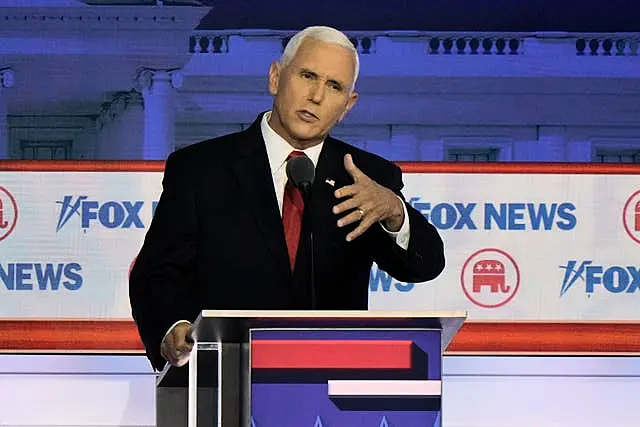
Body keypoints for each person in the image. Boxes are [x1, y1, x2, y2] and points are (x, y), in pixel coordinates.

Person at [129, 25, 445, 371]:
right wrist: (172, 328)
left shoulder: (365, 177)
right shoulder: (200, 169)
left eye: (334, 86)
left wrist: (394, 212)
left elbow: (424, 264)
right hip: (224, 378)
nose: (316, 96)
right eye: (307, 75)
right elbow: (156, 274)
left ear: (347, 106)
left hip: (328, 389)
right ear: (276, 77)